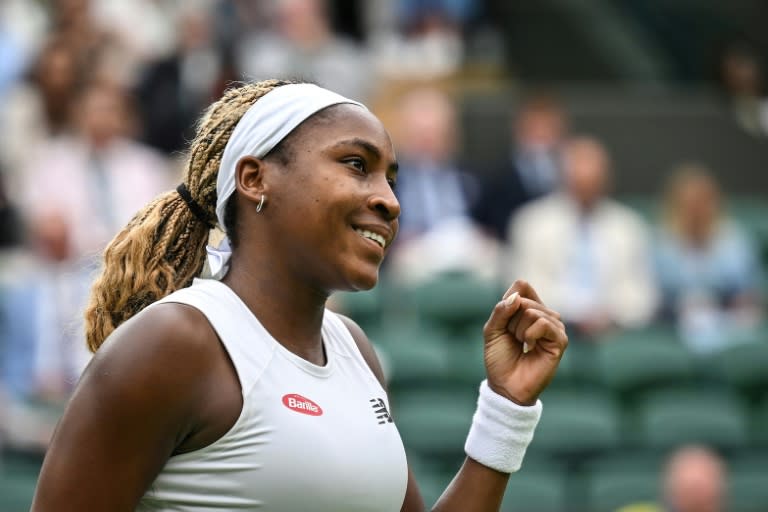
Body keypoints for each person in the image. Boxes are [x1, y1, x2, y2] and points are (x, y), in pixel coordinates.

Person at [31, 79, 567, 511]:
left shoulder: (356, 349)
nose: (388, 201)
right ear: (255, 178)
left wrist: (507, 406)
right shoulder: (175, 341)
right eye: (356, 165)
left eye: (390, 178)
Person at [504, 136, 658, 339]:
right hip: (551, 325)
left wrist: (610, 314)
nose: (586, 187)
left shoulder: (628, 226)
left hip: (615, 329)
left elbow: (641, 292)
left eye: (593, 180)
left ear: (606, 180)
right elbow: (523, 286)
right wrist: (574, 314)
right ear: (564, 178)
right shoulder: (532, 223)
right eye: (579, 180)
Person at [653, 164, 763, 353]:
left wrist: (744, 300)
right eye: (689, 205)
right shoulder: (661, 244)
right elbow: (658, 296)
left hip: (730, 320)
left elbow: (751, 287)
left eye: (702, 203)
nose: (696, 212)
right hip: (678, 324)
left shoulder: (733, 239)